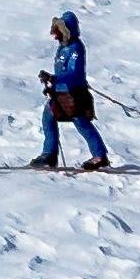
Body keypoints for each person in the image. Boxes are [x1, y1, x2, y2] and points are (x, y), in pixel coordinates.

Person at [35, 13, 110, 171]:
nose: (55, 35)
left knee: (81, 122)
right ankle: (49, 154)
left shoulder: (75, 48)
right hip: (61, 93)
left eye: (59, 31)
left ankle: (100, 156)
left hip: (74, 94)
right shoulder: (62, 49)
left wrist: (54, 79)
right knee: (48, 116)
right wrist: (52, 85)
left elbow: (74, 73)